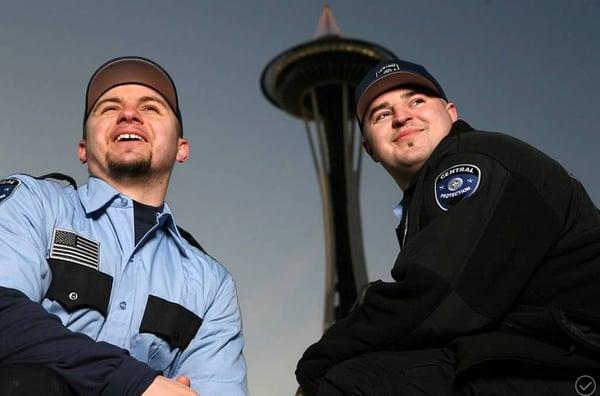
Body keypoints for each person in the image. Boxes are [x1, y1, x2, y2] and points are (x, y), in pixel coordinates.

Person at [295, 59, 600, 395]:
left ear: (451, 113)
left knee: (347, 383)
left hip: (572, 363)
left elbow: (435, 296)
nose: (402, 116)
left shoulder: (477, 160)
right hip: (531, 354)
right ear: (369, 148)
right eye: (381, 114)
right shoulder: (424, 200)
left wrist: (321, 358)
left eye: (416, 101)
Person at [0, 56, 247, 395]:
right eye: (108, 107)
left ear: (181, 148)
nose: (129, 115)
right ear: (83, 149)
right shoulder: (33, 203)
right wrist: (137, 383)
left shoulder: (211, 285)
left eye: (151, 107)